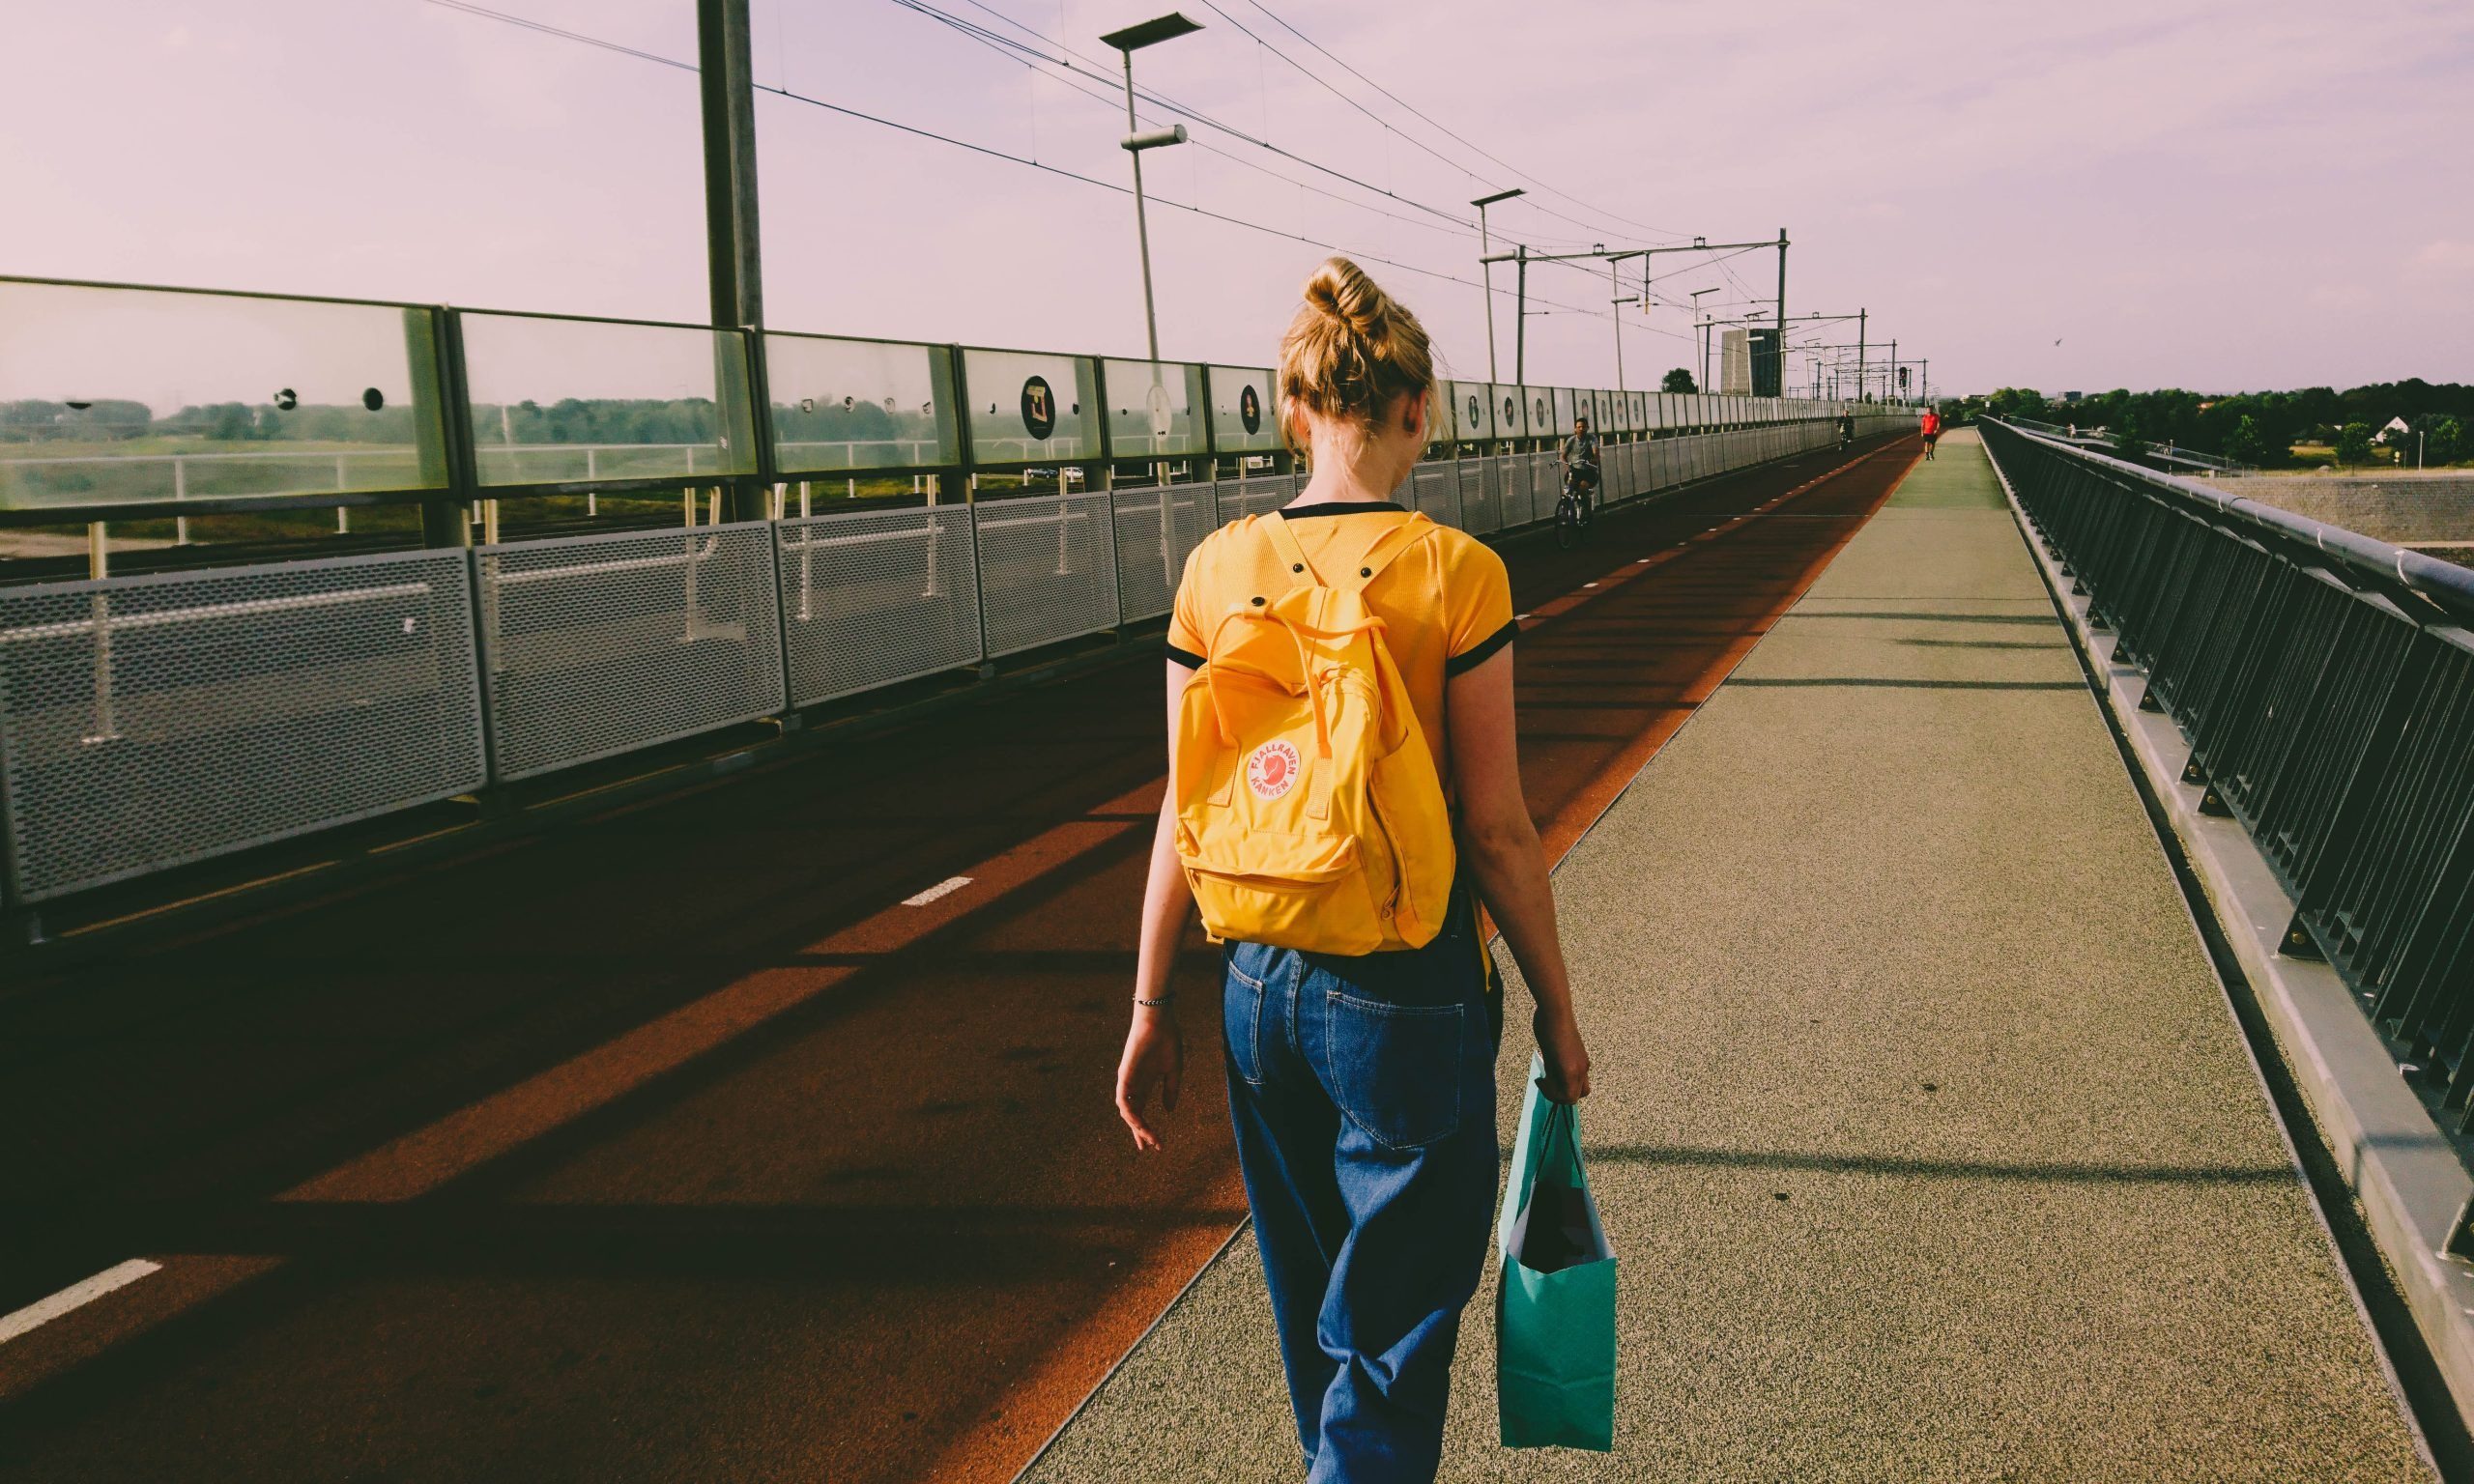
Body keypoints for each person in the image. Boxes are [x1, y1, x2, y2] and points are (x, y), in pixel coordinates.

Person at [1114, 257, 1592, 1483]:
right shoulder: (1453, 572)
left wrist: (1149, 1004)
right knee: (1390, 1334)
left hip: (1255, 987)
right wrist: (1557, 1006)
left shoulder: (1216, 569)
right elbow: (1493, 830)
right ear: (1418, 410)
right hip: (1402, 988)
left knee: (1318, 1312)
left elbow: (1183, 802)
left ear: (1291, 408)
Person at [1559, 414, 1601, 512]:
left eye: (1583, 427)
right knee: (1568, 488)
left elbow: (1596, 452)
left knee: (1582, 489)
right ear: (1575, 429)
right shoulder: (1571, 440)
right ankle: (1566, 511)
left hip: (1588, 471)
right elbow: (1563, 456)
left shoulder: (1592, 439)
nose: (1581, 429)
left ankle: (1586, 511)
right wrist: (1566, 464)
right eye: (1579, 427)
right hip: (1575, 471)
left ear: (1587, 428)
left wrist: (1594, 459)